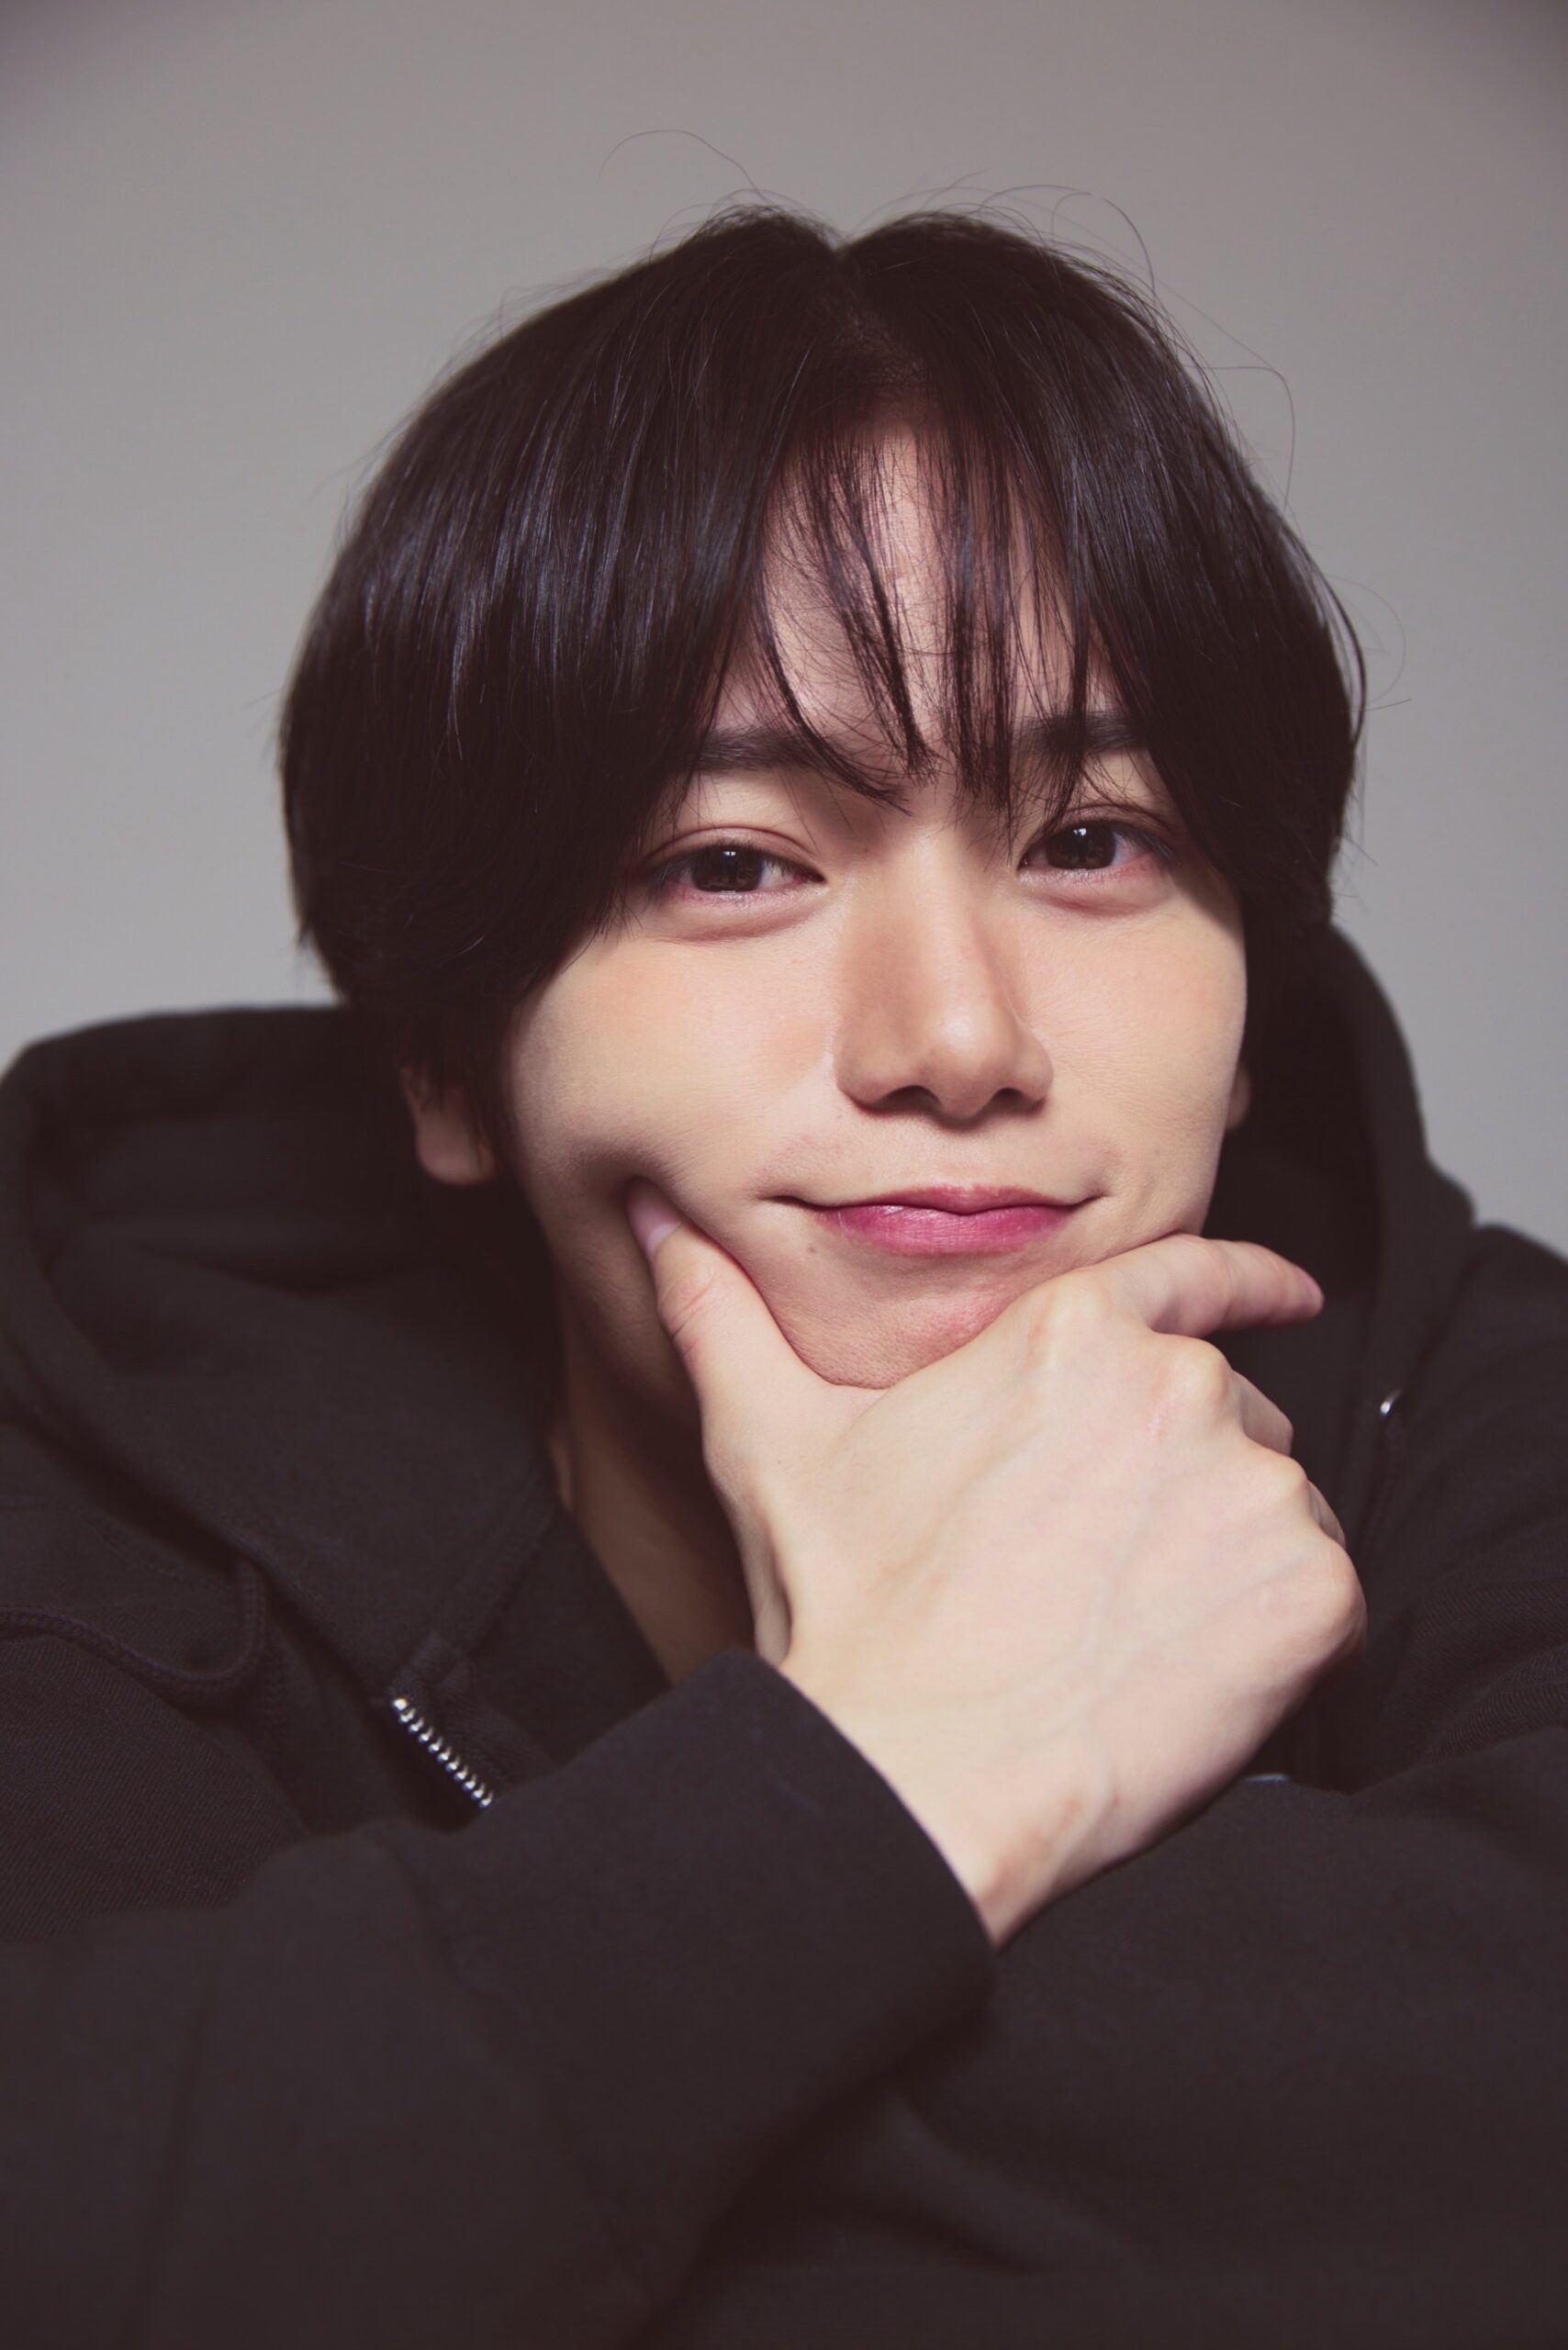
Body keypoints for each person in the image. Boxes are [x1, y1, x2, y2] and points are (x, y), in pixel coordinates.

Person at [1, 203, 1563, 2350]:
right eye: (733, 862)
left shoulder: (1486, 1405)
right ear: (445, 1052)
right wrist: (898, 1762)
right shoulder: (91, 1527)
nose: (953, 1036)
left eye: (1088, 839)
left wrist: (490, 2202)